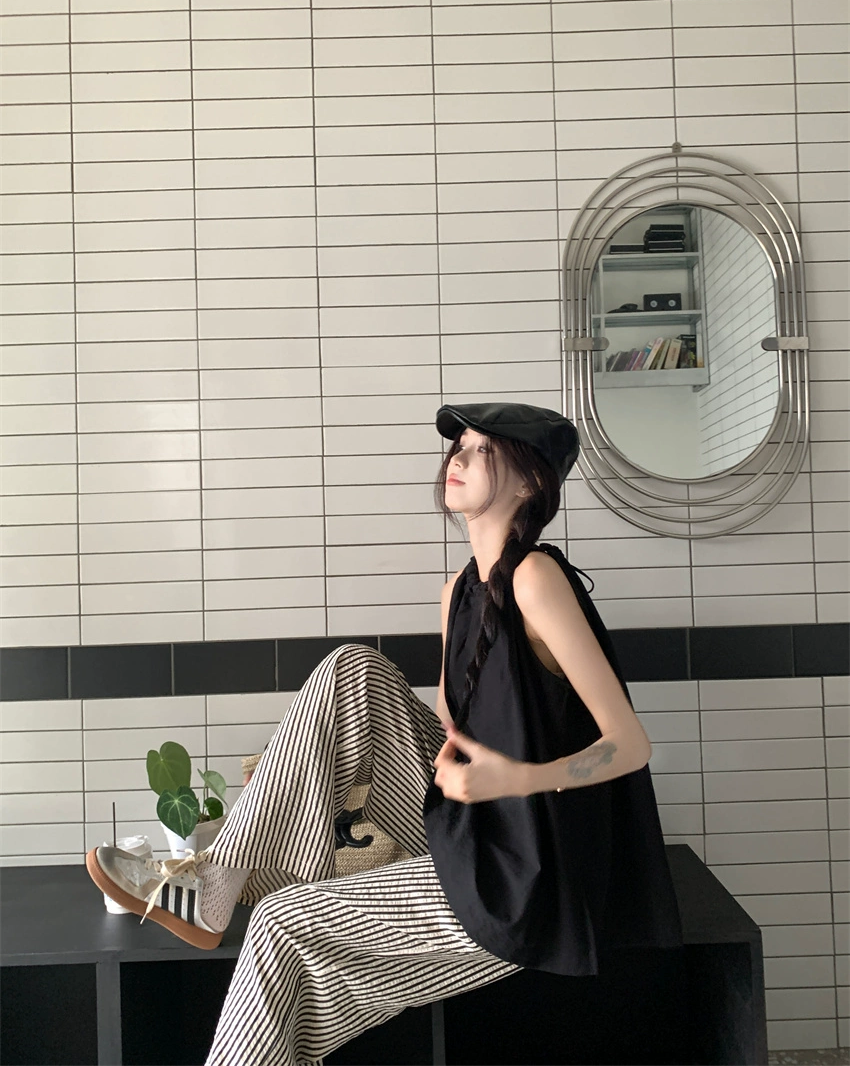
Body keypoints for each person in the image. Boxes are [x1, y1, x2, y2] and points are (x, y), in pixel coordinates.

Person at [85, 401, 682, 1065]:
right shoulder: (457, 592)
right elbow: (457, 731)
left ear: (531, 483)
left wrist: (519, 777)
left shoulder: (536, 579)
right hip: (474, 822)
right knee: (355, 668)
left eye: (483, 450)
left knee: (280, 921)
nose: (458, 458)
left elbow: (629, 744)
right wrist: (308, 772)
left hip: (530, 864)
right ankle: (218, 884)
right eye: (458, 445)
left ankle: (223, 892)